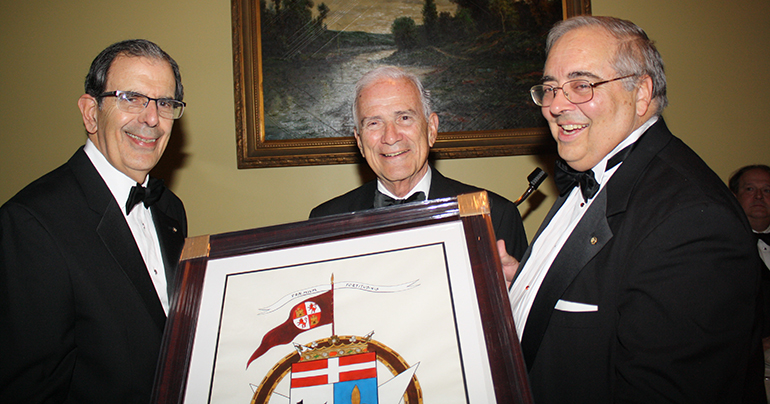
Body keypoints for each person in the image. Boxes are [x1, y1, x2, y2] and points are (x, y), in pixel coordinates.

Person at [506, 16, 764, 402]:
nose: (555, 105)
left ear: (641, 93)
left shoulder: (692, 220)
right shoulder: (595, 171)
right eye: (550, 88)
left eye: (581, 85)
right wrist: (526, 281)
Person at [0, 39, 188, 403]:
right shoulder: (30, 224)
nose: (151, 118)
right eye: (131, 98)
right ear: (90, 113)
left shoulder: (170, 209)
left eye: (165, 103)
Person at [309, 66, 527, 261]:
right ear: (359, 142)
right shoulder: (326, 222)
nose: (390, 137)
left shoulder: (495, 216)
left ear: (431, 129)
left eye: (404, 118)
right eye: (374, 123)